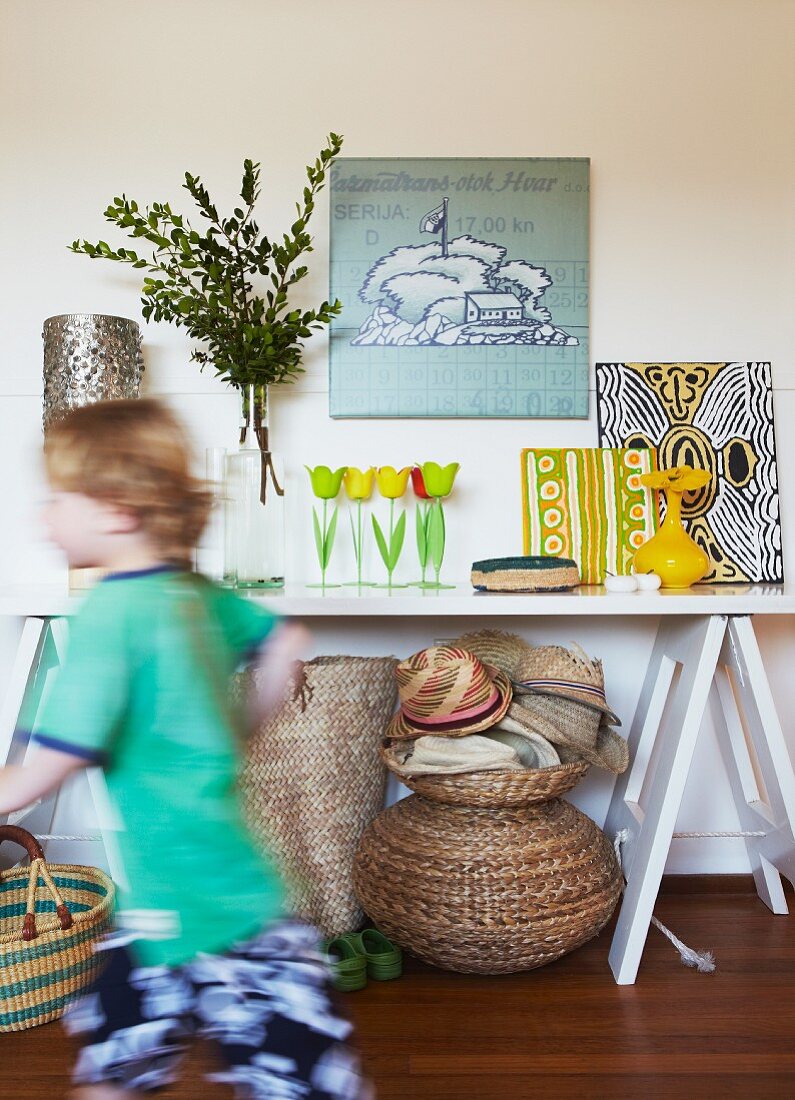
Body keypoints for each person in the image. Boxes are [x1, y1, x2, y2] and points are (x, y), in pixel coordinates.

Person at [0, 399, 370, 1100]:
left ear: (114, 509)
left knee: (123, 1068)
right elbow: (285, 645)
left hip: (191, 914)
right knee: (136, 1058)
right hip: (223, 894)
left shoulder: (109, 617)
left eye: (58, 499)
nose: (43, 517)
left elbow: (33, 781)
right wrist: (241, 731)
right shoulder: (193, 593)